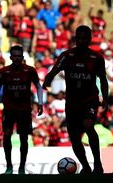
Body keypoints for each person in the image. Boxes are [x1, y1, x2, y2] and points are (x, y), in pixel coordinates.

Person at [42, 25, 109, 174]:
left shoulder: (96, 58)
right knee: (74, 136)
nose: (82, 41)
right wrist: (47, 80)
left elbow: (103, 80)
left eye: (85, 38)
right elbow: (54, 70)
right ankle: (85, 166)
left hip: (89, 100)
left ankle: (98, 164)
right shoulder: (67, 56)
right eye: (79, 38)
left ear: (90, 39)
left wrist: (105, 98)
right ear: (75, 38)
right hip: (72, 102)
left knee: (88, 125)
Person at [0, 45, 43, 175]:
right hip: (9, 110)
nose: (17, 58)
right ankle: (9, 167)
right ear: (11, 57)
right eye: (15, 56)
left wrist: (40, 103)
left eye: (19, 56)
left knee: (24, 139)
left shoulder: (29, 70)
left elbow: (39, 87)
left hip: (24, 110)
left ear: (23, 57)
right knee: (6, 136)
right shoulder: (4, 71)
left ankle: (22, 168)